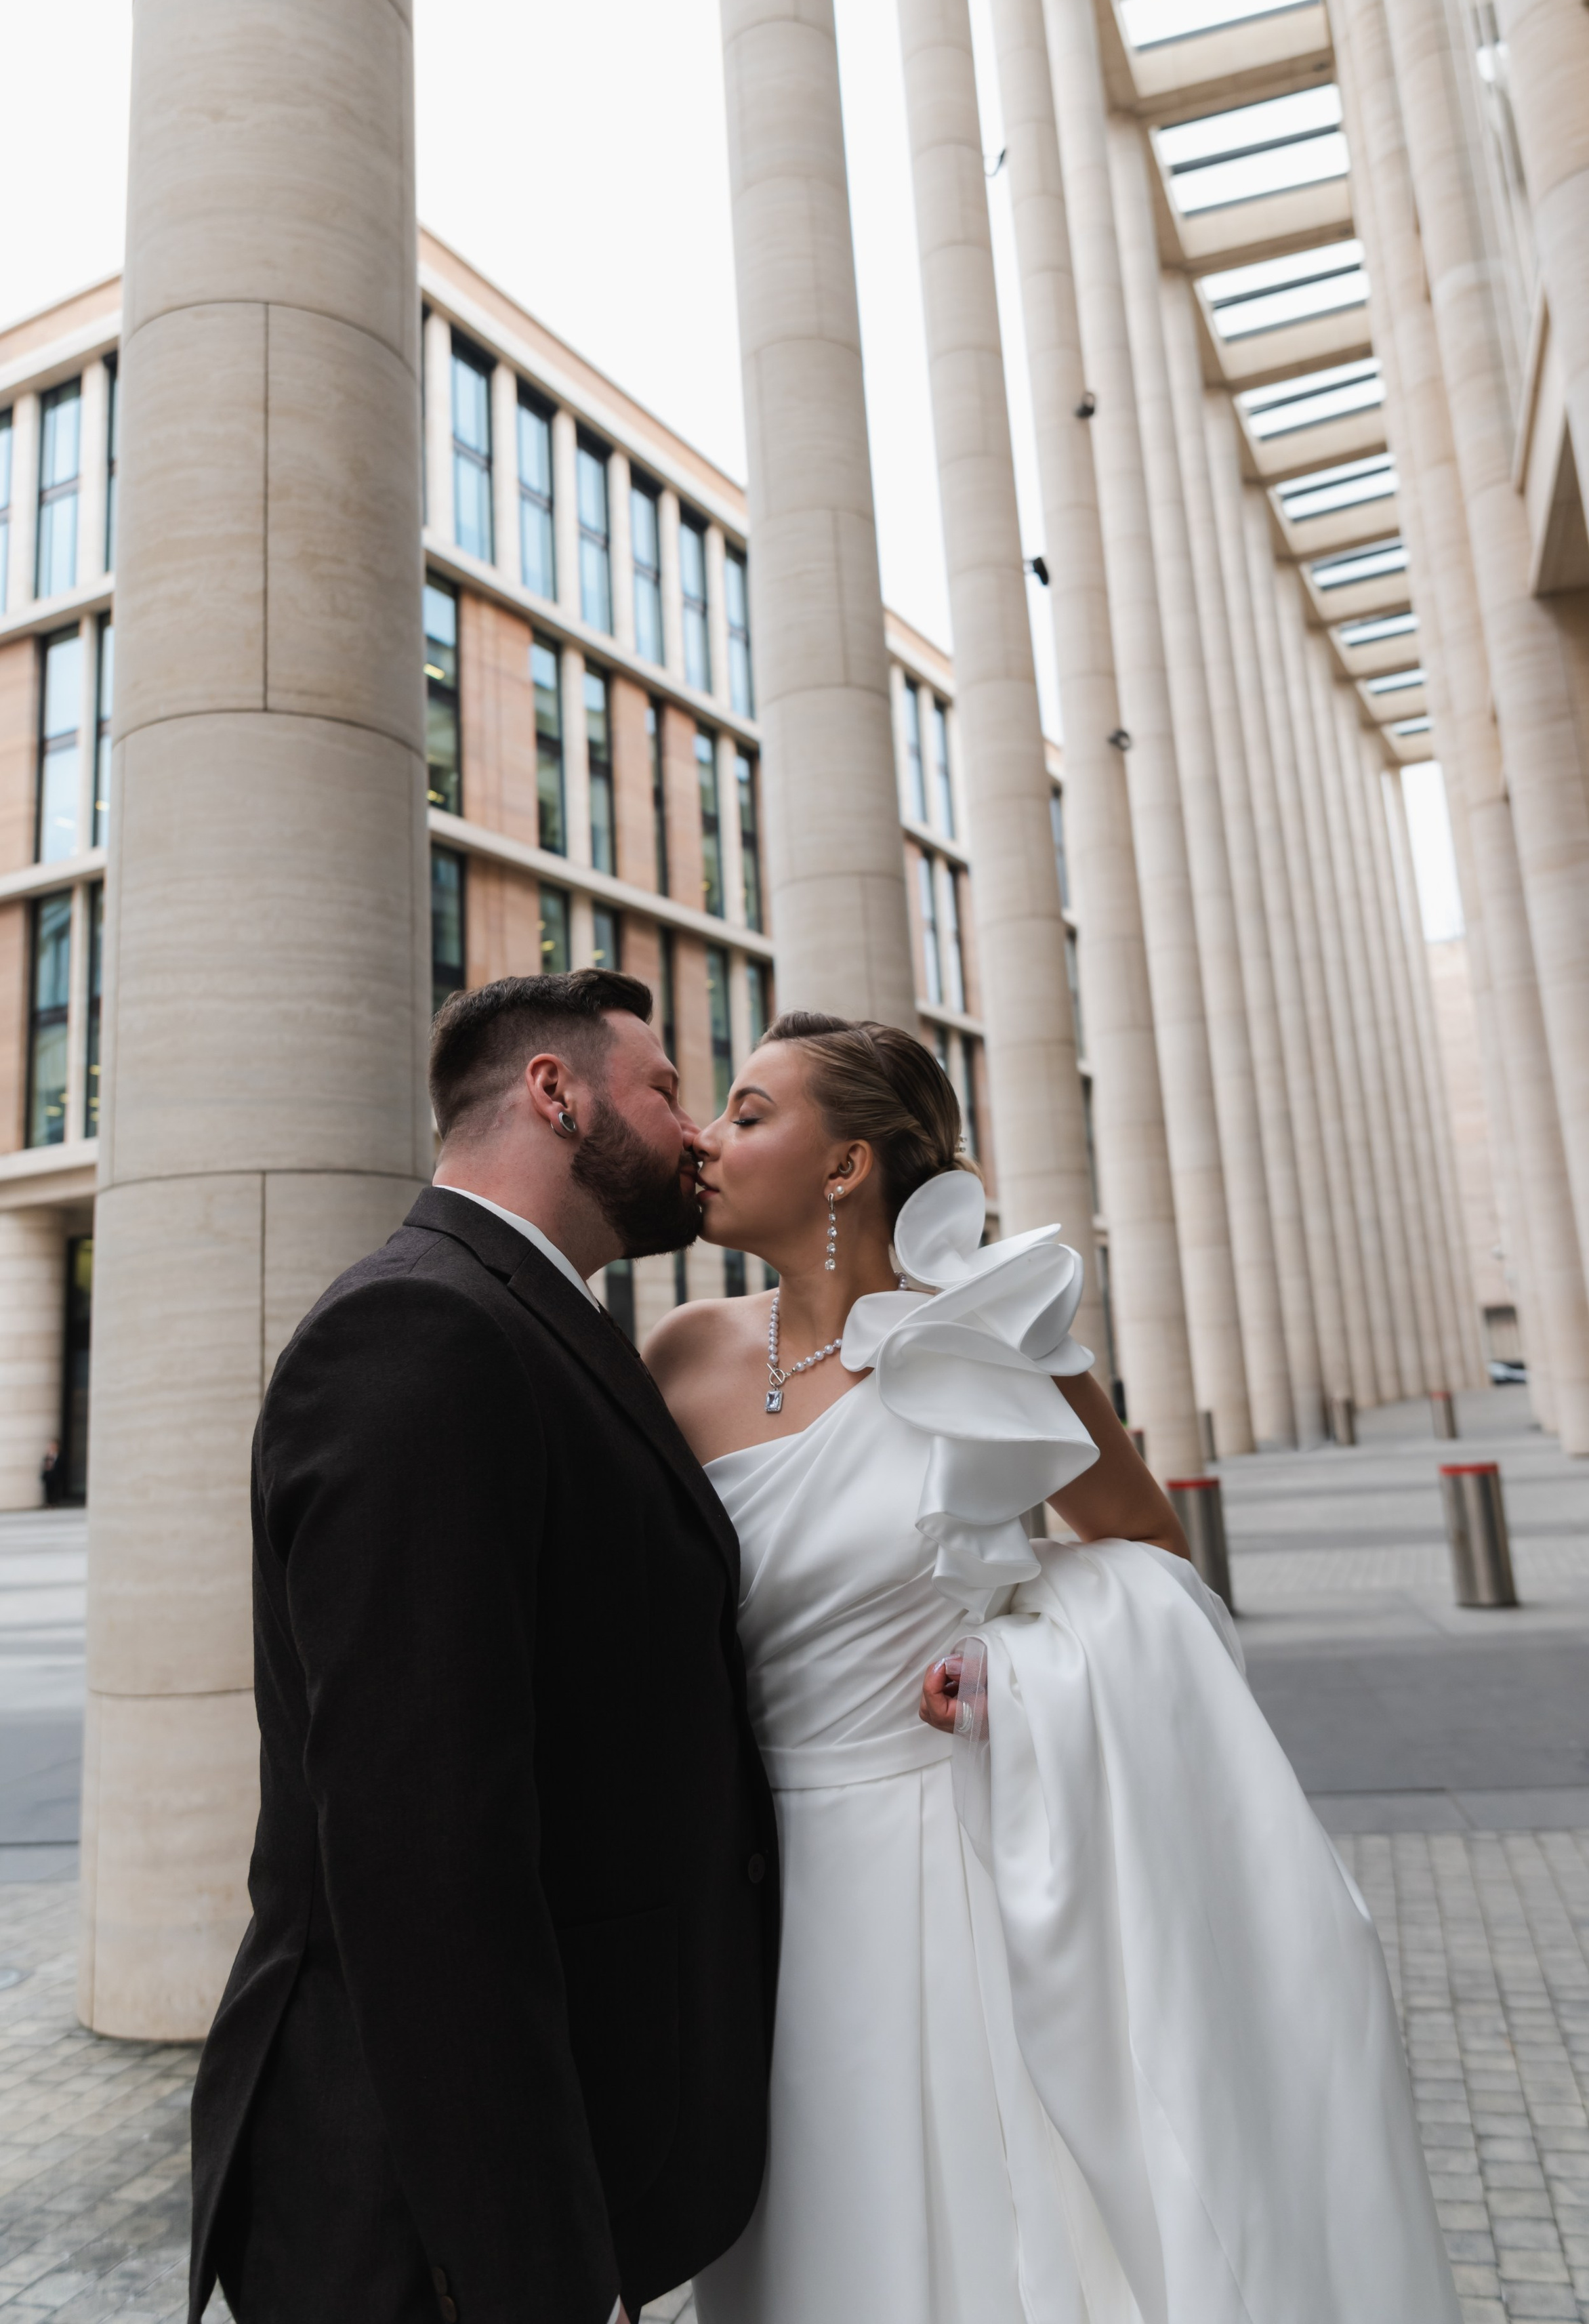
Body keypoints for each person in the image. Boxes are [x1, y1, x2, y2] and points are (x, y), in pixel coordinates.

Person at [647, 1010, 1462, 2324]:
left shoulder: (988, 1340)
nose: (706, 1136)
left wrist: (1008, 1668)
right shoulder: (681, 1357)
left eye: (748, 1112)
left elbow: (1147, 1547)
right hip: (746, 1886)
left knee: (967, 2222)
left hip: (934, 1864)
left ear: (847, 1164)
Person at [189, 970, 778, 2324]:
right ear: (555, 1092)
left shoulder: (531, 1318)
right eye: (666, 1089)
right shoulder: (422, 1330)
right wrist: (521, 2266)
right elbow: (419, 1848)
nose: (694, 1135)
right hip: (416, 2204)